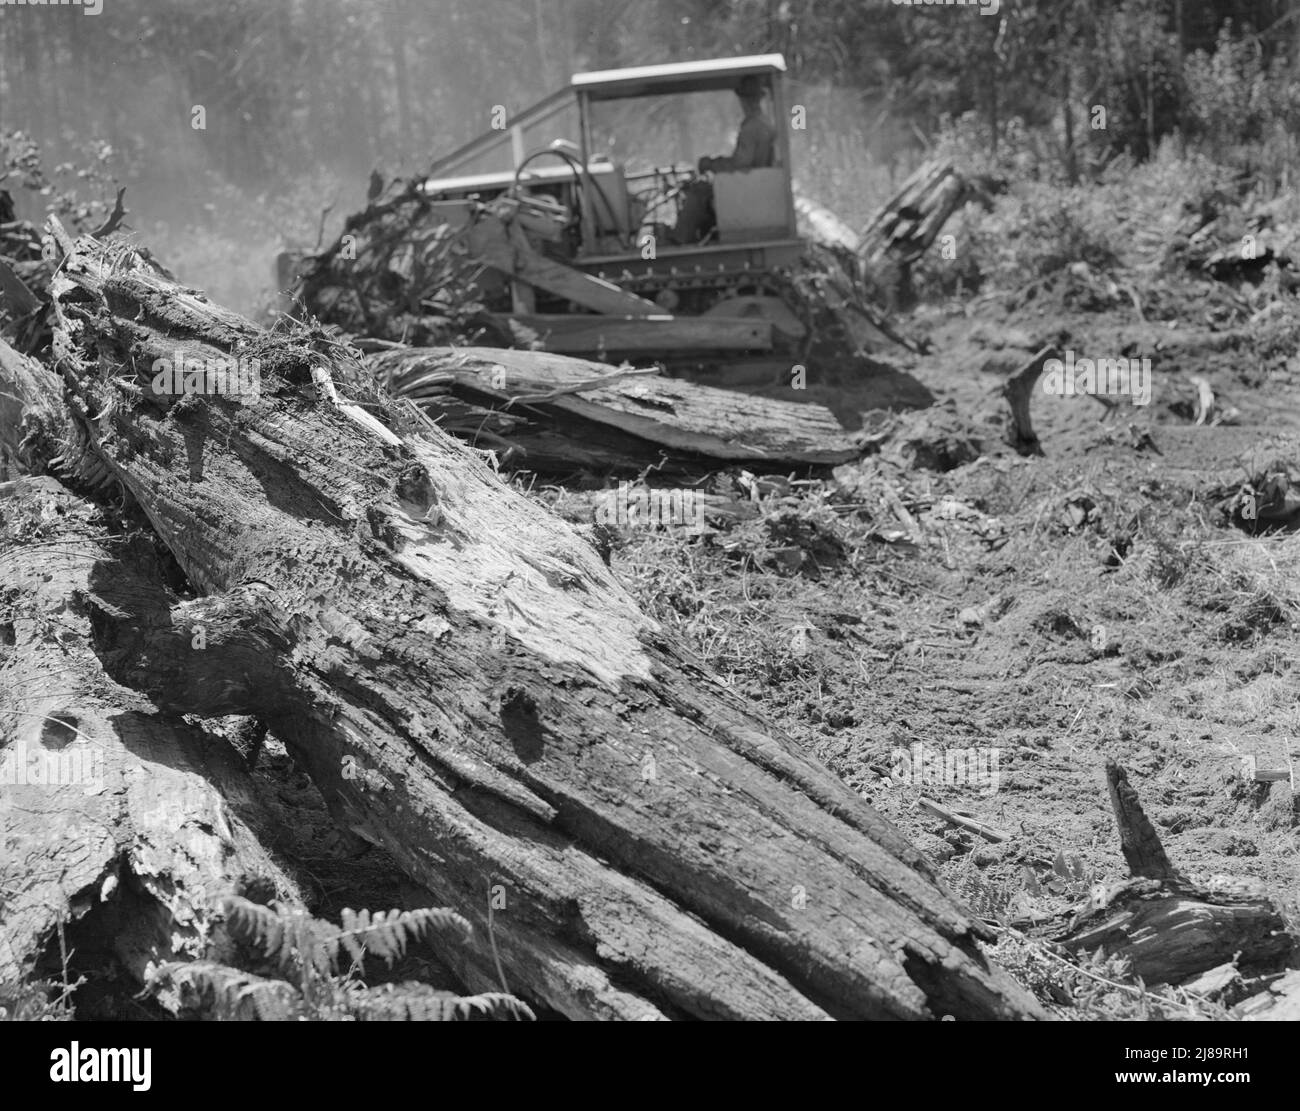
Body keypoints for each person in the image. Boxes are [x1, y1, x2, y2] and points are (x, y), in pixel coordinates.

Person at [674, 75, 775, 244]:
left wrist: (711, 164)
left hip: (749, 187)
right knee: (705, 188)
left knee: (700, 189)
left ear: (745, 101)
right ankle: (702, 235)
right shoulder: (764, 123)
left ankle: (680, 240)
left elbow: (740, 163)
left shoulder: (752, 128)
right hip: (755, 183)